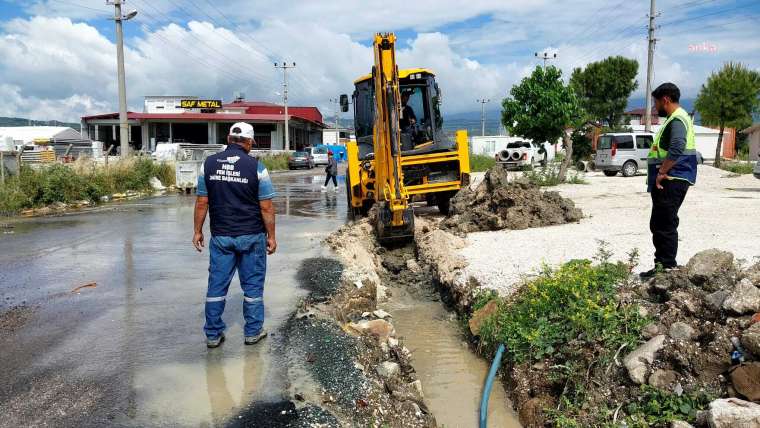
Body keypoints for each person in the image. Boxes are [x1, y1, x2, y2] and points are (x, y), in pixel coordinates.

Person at [192, 122, 277, 348]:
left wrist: (198, 231)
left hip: (221, 237)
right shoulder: (257, 168)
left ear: (229, 139)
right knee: (252, 286)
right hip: (251, 236)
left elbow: (202, 202)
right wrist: (271, 236)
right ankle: (252, 331)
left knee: (216, 286)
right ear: (248, 142)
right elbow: (266, 207)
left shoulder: (208, 165)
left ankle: (212, 334)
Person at [640, 83, 698, 279]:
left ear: (665, 99)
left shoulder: (677, 119)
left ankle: (666, 267)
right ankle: (662, 266)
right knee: (660, 222)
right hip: (674, 177)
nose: (655, 107)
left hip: (672, 178)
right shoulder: (678, 118)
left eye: (656, 102)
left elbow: (677, 146)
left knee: (664, 223)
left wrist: (662, 172)